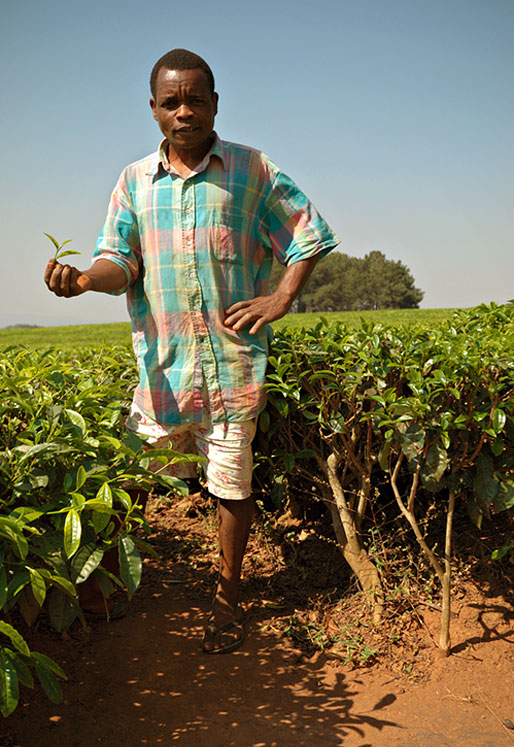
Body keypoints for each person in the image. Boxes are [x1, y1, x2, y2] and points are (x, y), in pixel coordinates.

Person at [44, 48, 339, 653]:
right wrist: (81, 280)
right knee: (131, 473)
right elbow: (119, 262)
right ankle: (108, 583)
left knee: (231, 484)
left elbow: (309, 233)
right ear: (153, 109)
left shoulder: (252, 170)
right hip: (164, 367)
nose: (185, 112)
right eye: (171, 102)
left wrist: (281, 297)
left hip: (231, 364)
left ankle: (229, 598)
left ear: (214, 104)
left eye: (195, 99)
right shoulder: (132, 182)